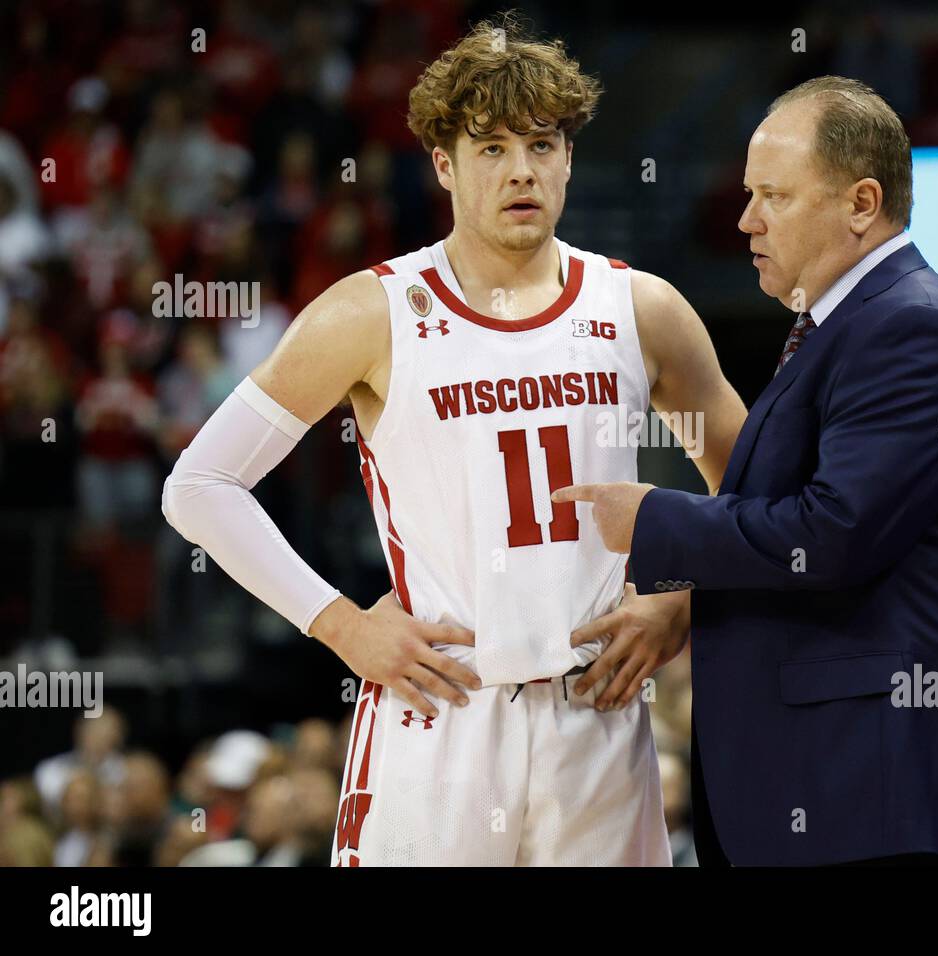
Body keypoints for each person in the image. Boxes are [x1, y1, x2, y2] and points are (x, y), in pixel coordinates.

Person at [161, 16, 747, 866]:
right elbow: (200, 485)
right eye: (492, 147)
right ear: (443, 164)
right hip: (443, 713)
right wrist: (341, 625)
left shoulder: (641, 308)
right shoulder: (373, 311)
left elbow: (749, 480)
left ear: (571, 158)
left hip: (599, 715)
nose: (521, 170)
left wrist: (681, 598)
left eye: (543, 145)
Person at [557, 77, 938, 865]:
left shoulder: (911, 328)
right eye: (747, 193)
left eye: (773, 194)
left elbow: (834, 534)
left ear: (861, 203)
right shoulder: (849, 326)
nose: (745, 220)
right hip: (841, 784)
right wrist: (687, 602)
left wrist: (657, 520)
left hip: (878, 794)